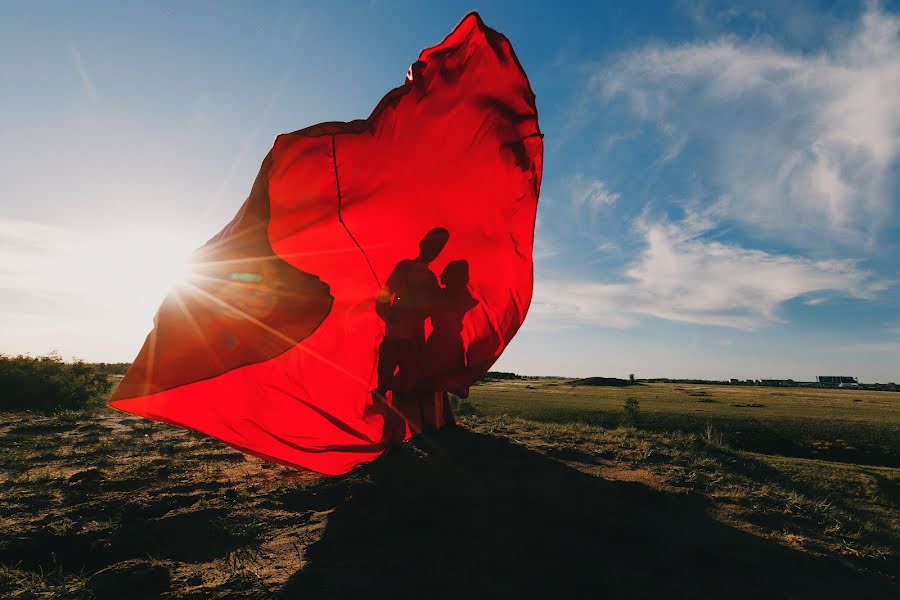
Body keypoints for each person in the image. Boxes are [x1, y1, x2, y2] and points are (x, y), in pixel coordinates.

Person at [374, 227, 449, 398]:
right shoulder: (404, 267)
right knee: (384, 381)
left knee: (409, 383)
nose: (433, 251)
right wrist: (389, 317)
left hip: (414, 335)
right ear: (422, 244)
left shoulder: (431, 280)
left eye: (437, 249)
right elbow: (383, 296)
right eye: (432, 245)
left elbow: (436, 308)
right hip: (395, 331)